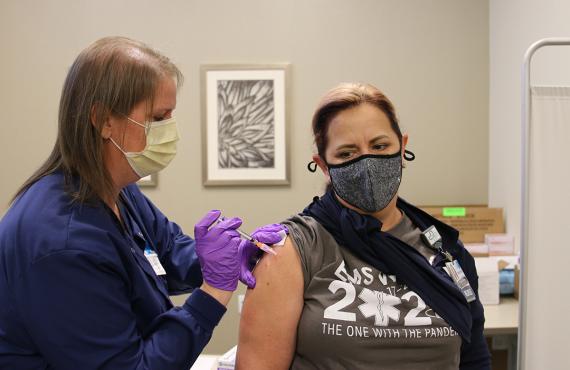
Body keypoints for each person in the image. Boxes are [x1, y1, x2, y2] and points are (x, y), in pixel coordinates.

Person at [0, 36, 284, 370]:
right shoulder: (63, 245)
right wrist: (212, 293)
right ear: (104, 120)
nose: (171, 131)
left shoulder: (117, 191)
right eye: (159, 117)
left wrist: (230, 255)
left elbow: (166, 251)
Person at [237, 83, 491, 369]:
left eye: (380, 146)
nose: (367, 162)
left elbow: (475, 358)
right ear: (323, 166)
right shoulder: (292, 250)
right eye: (347, 153)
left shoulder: (446, 250)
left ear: (403, 147)